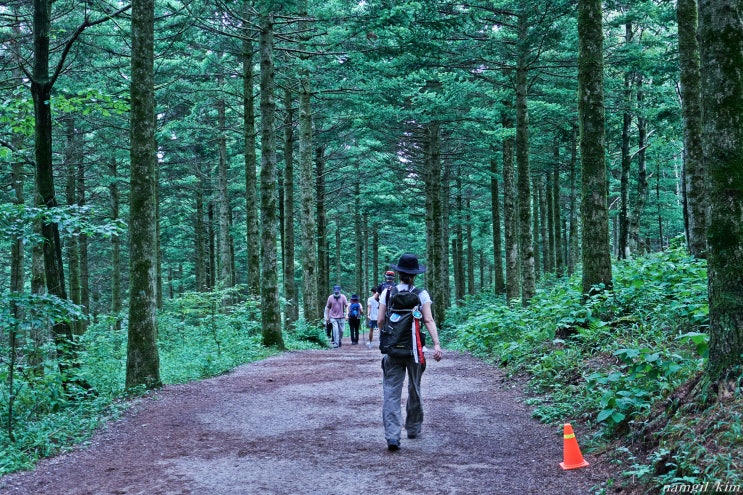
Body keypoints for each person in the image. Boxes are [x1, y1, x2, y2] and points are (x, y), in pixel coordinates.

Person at [377, 253, 443, 451]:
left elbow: (380, 320)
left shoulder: (387, 293)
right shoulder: (422, 294)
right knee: (415, 388)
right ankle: (413, 428)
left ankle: (392, 437)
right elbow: (429, 320)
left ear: (398, 273)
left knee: (391, 393)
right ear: (415, 275)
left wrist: (389, 336)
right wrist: (437, 345)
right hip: (415, 351)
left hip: (393, 351)